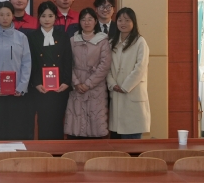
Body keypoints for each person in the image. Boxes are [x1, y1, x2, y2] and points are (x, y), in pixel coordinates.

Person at [0, 1, 32, 140]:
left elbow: (26, 64)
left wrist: (21, 87)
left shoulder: (21, 37)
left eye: (8, 14)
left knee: (15, 129)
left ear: (13, 16)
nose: (4, 18)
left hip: (16, 92)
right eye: (1, 14)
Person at [64, 8, 111, 139]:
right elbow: (67, 63)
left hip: (96, 87)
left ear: (95, 21)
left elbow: (105, 65)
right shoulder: (73, 40)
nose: (87, 22)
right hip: (76, 87)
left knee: (96, 122)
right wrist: (76, 82)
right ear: (79, 22)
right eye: (83, 19)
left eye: (90, 19)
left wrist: (88, 84)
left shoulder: (103, 40)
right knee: (76, 122)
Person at [28, 1, 73, 140]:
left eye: (50, 16)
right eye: (43, 16)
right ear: (38, 17)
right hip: (40, 88)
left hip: (60, 88)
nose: (46, 19)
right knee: (43, 121)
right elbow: (31, 62)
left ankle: (57, 152)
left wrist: (66, 82)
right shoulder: (32, 37)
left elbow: (68, 60)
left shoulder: (63, 36)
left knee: (58, 120)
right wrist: (36, 83)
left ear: (55, 17)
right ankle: (44, 151)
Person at [107, 7, 150, 139]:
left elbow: (140, 67)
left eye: (127, 20)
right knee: (118, 141)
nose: (123, 23)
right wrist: (112, 84)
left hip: (133, 93)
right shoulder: (112, 43)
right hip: (116, 93)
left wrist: (125, 86)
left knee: (133, 140)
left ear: (133, 22)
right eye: (120, 20)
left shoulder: (140, 42)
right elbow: (107, 67)